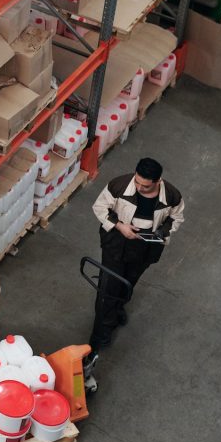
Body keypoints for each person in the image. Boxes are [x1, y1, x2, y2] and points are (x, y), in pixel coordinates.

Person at [84, 157, 185, 390]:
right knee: (108, 290)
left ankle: (118, 310)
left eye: (145, 186)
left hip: (146, 247)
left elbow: (177, 217)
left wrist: (161, 233)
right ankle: (99, 337)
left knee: (129, 283)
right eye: (137, 183)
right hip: (117, 244)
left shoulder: (171, 196)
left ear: (158, 181)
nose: (139, 188)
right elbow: (99, 207)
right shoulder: (119, 186)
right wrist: (120, 226)